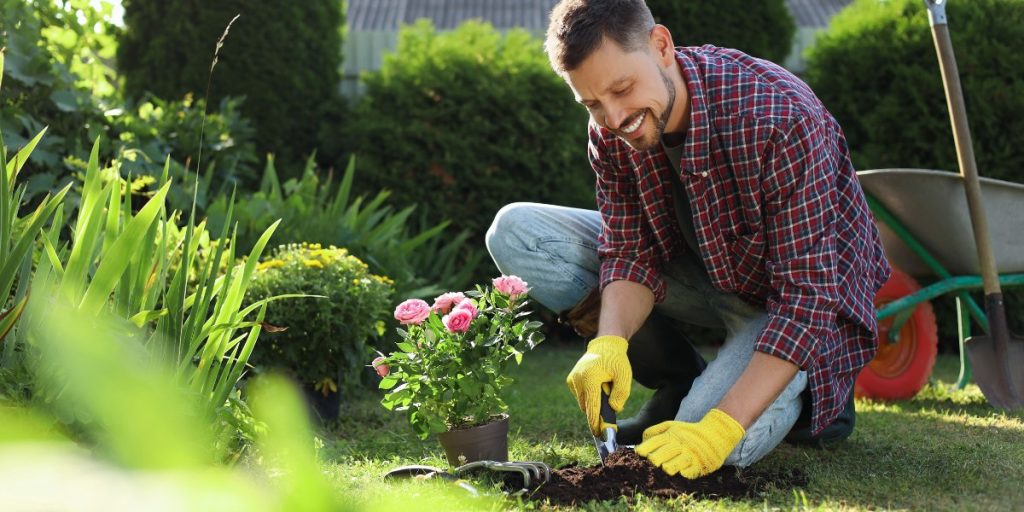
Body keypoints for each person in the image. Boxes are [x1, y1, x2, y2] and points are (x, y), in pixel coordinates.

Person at [485, 0, 892, 479]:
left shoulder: (776, 117)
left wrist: (721, 426)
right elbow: (629, 251)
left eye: (621, 89)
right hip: (705, 272)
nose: (613, 118)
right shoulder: (612, 129)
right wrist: (608, 343)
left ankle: (815, 395)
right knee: (517, 232)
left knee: (710, 441)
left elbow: (809, 299)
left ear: (661, 46)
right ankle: (680, 382)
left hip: (791, 304)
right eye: (592, 103)